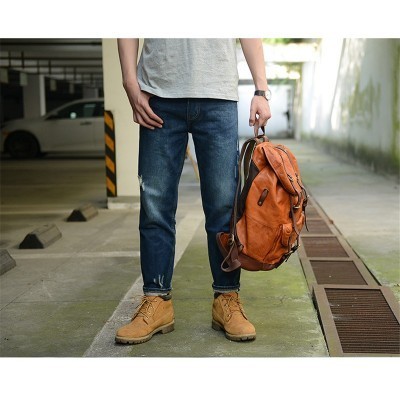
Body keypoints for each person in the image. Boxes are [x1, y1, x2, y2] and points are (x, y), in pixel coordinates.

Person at [115, 39, 271, 344]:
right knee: (155, 206)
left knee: (223, 206)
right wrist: (129, 81)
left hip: (218, 95)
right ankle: (156, 300)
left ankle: (226, 298)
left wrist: (261, 90)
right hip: (158, 93)